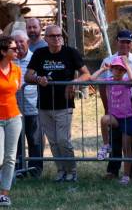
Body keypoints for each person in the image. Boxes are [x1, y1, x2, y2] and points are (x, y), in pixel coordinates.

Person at [25, 25, 91, 182]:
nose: (56, 38)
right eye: (52, 36)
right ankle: (61, 170)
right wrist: (37, 79)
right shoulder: (40, 53)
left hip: (64, 104)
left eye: (59, 35)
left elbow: (87, 74)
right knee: (53, 142)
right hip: (44, 105)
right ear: (46, 38)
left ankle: (71, 171)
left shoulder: (70, 53)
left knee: (63, 140)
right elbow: (28, 76)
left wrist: (73, 82)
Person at [99, 30, 132, 180]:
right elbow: (102, 86)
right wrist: (106, 106)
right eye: (122, 41)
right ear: (116, 42)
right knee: (114, 137)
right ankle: (113, 169)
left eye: (128, 42)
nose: (125, 44)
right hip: (114, 104)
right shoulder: (108, 60)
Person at [92, 56, 132, 185]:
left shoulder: (126, 82)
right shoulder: (108, 80)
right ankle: (106, 145)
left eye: (120, 69)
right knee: (104, 119)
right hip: (115, 117)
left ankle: (126, 175)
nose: (118, 71)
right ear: (111, 70)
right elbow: (92, 79)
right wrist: (102, 69)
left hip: (127, 118)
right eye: (115, 69)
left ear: (124, 71)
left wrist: (126, 65)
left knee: (126, 147)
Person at [12, 30, 42, 178]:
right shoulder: (9, 60)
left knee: (34, 139)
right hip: (14, 109)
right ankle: (18, 169)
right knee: (16, 140)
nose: (18, 45)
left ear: (27, 43)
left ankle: (35, 170)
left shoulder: (35, 59)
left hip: (32, 107)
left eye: (21, 42)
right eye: (15, 42)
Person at [0, 36, 23, 207]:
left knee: (10, 158)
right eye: (13, 49)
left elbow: (17, 88)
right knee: (0, 158)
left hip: (14, 117)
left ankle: (4, 194)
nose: (17, 51)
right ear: (2, 51)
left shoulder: (16, 69)